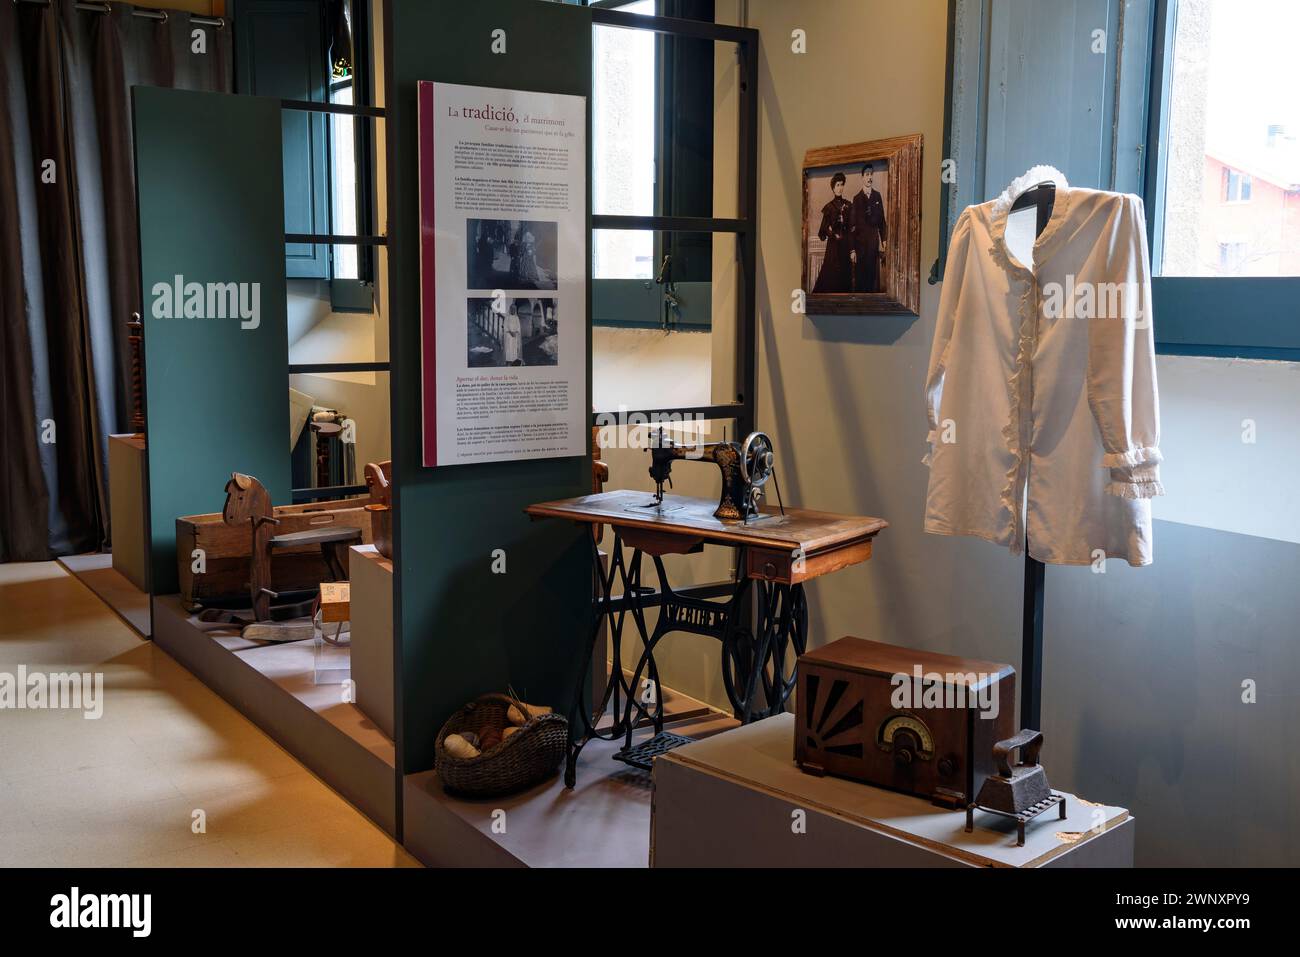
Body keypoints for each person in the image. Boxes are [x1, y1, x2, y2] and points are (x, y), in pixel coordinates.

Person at [812, 171, 855, 293]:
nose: (840, 188)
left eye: (842, 185)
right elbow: (822, 233)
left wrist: (852, 249)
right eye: (837, 185)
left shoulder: (848, 205)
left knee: (845, 280)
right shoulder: (829, 208)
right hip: (833, 250)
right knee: (831, 279)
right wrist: (831, 233)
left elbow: (852, 228)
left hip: (845, 248)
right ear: (833, 188)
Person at [851, 163, 888, 293]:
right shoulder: (856, 199)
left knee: (873, 281)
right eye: (867, 174)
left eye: (871, 174)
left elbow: (882, 221)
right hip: (860, 247)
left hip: (873, 245)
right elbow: (852, 226)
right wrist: (852, 250)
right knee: (861, 281)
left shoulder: (877, 196)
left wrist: (885, 241)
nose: (870, 177)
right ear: (862, 177)